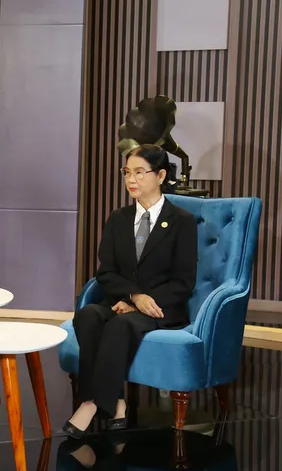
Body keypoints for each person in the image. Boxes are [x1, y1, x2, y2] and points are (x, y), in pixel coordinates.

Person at [62, 144, 198, 438]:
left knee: (121, 326)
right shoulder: (118, 218)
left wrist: (142, 303)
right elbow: (106, 272)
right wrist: (132, 297)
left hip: (161, 308)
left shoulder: (182, 221)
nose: (131, 180)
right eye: (127, 172)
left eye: (139, 172)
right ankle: (115, 401)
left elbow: (183, 281)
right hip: (121, 302)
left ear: (160, 175)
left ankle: (91, 403)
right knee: (88, 315)